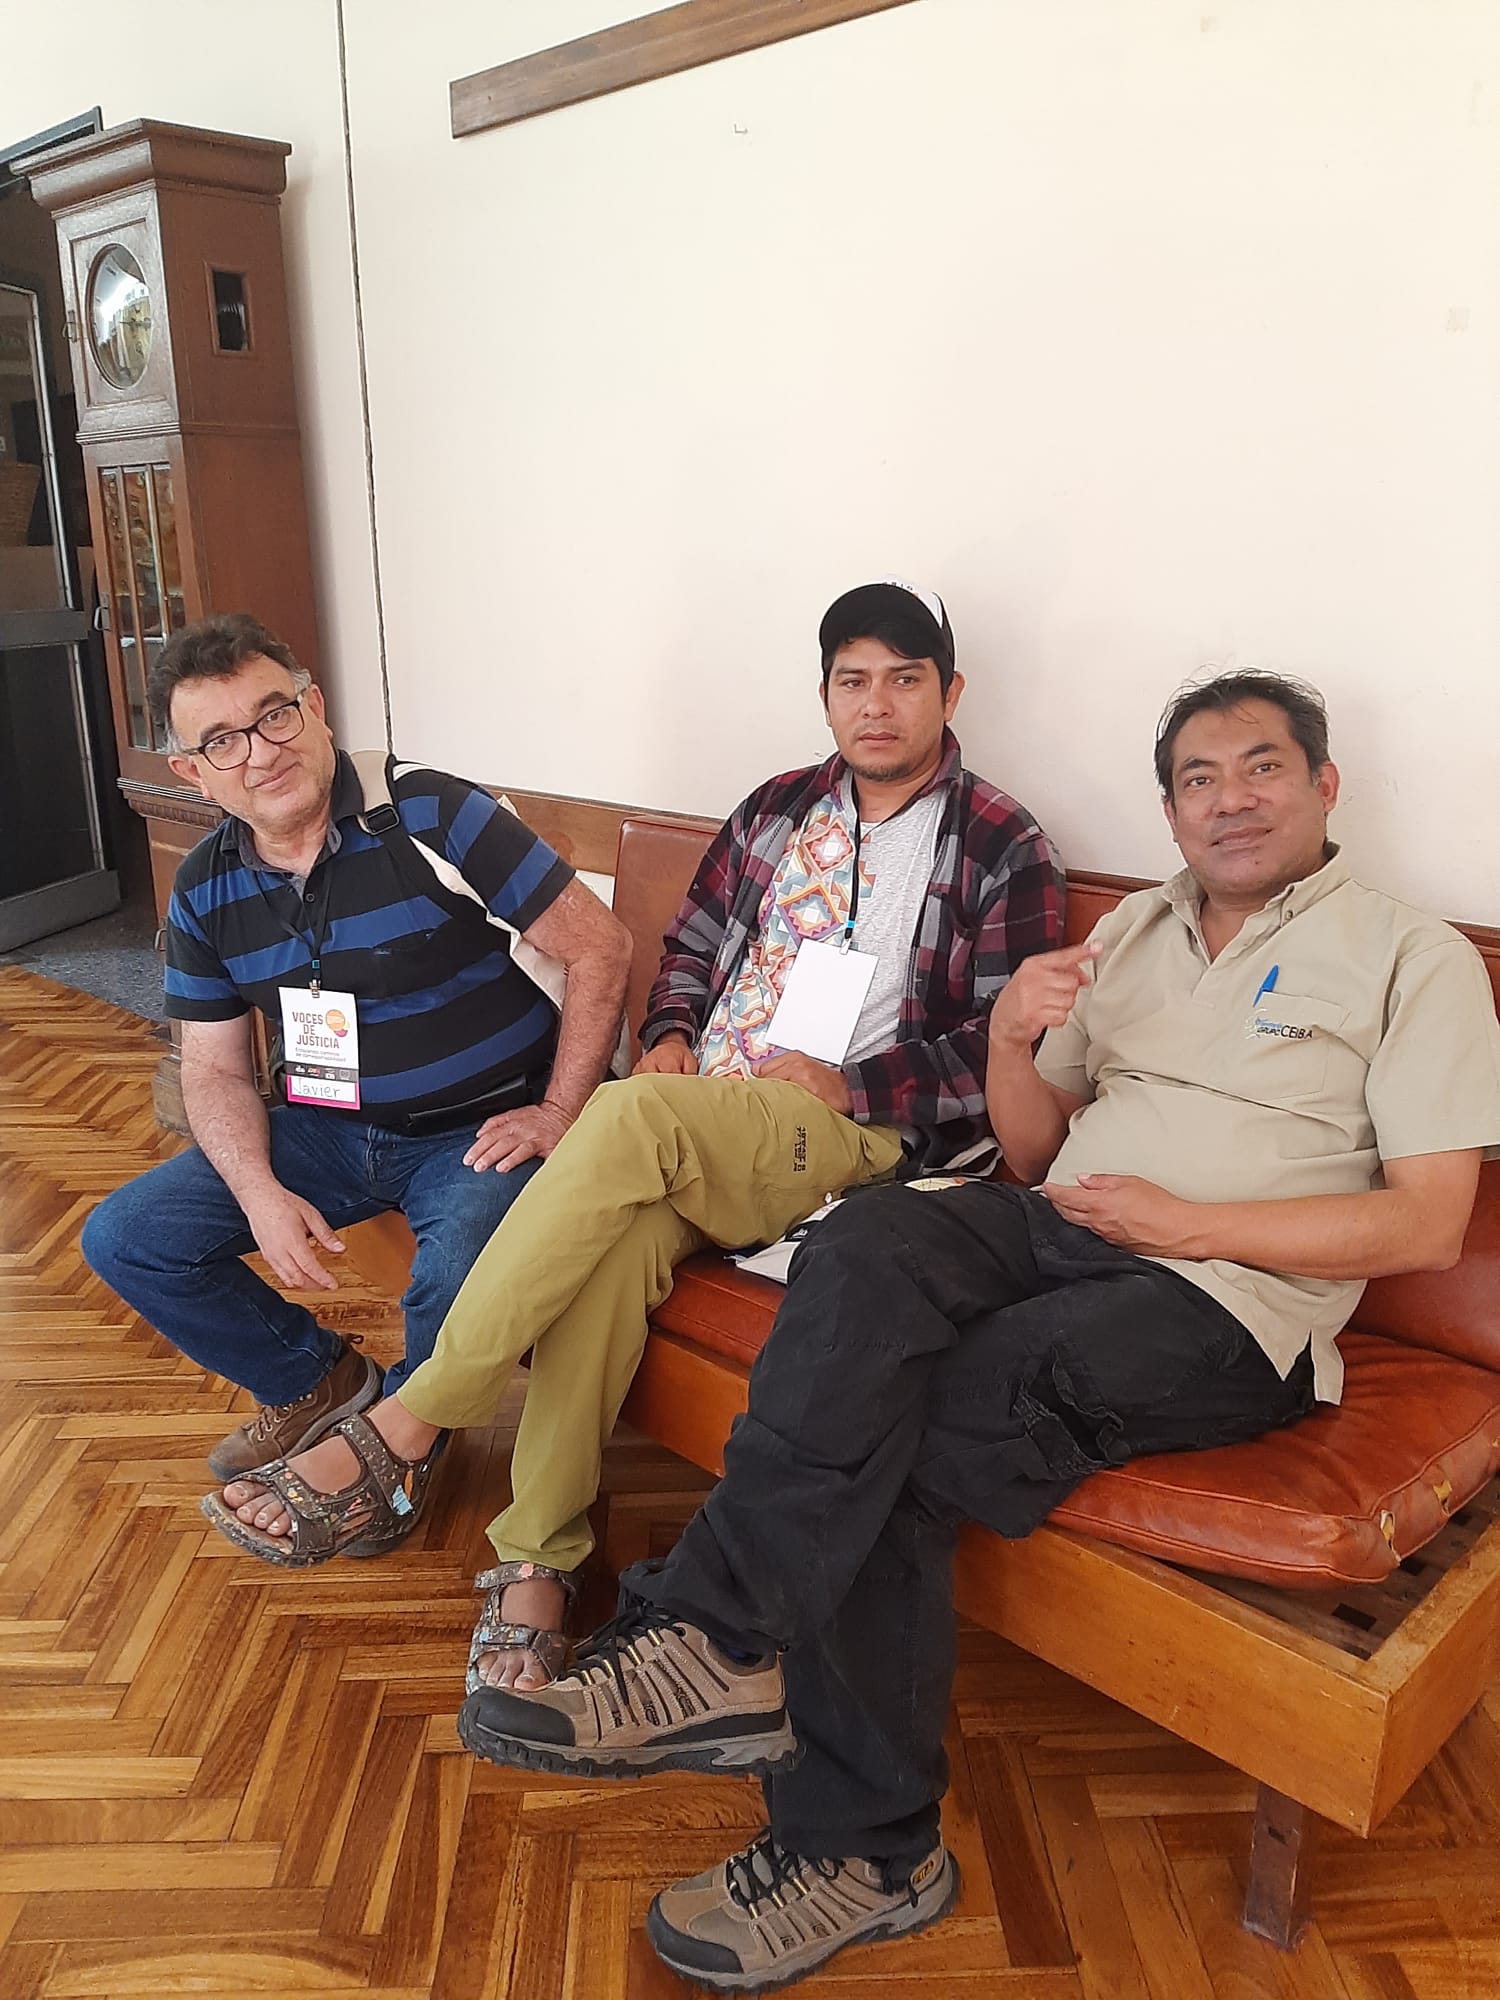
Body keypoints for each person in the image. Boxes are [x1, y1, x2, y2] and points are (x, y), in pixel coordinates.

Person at [453, 669, 1500, 1994]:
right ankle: (719, 1641)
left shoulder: (1412, 956)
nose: (1231, 799)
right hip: (1064, 1223)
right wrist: (1009, 1037)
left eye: (1263, 768)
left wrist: (1186, 1223)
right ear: (1172, 810)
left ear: (1323, 783)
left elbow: (1426, 1225)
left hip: (1230, 1303)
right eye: (1200, 778)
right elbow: (1034, 1147)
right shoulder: (1136, 933)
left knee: (914, 1417)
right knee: (865, 1243)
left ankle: (865, 1847)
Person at [203, 579, 1065, 1701]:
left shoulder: (999, 841)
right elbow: (694, 949)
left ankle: (407, 1421)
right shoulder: (775, 809)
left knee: (621, 1114)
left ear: (950, 693)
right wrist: (666, 1035)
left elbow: (1000, 1047)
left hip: (859, 1134)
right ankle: (540, 1561)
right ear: (824, 696)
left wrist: (852, 1080)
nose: (877, 704)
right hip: (705, 1115)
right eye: (853, 681)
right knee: (612, 1243)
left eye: (905, 680)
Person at [81, 611, 631, 1533]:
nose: (261, 752)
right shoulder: (206, 884)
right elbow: (213, 1071)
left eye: (275, 714)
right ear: (192, 773)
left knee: (451, 1273)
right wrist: (257, 1190)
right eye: (223, 740)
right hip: (326, 1129)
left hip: (482, 1126)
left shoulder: (429, 811)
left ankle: (392, 1458)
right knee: (127, 1238)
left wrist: (560, 1111)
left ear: (316, 708)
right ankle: (319, 1382)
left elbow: (600, 947)